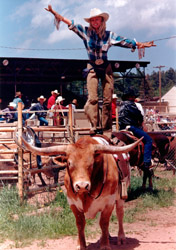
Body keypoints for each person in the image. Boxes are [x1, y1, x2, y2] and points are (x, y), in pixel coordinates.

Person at [45, 5, 156, 137]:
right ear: (90, 22)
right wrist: (55, 14)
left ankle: (106, 128)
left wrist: (140, 44)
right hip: (91, 66)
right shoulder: (85, 32)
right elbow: (70, 23)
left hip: (105, 67)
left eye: (97, 20)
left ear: (102, 21)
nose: (95, 22)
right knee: (93, 98)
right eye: (92, 20)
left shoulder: (109, 35)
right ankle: (94, 126)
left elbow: (124, 41)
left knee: (108, 100)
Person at [118, 89, 153, 171]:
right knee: (148, 140)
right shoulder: (132, 105)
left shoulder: (121, 105)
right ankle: (146, 162)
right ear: (129, 97)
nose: (133, 98)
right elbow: (140, 116)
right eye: (132, 96)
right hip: (131, 127)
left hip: (122, 128)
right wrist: (140, 122)